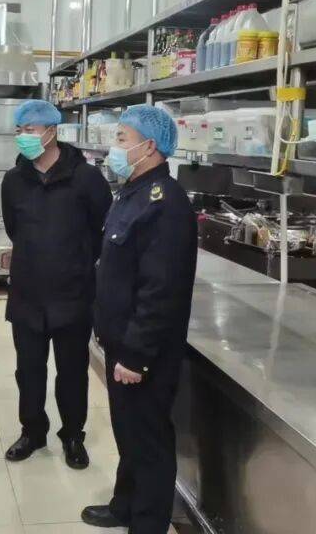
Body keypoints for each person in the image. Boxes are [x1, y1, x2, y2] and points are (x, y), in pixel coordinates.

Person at [82, 105, 198, 533]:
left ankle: (147, 523)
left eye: (122, 139)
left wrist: (136, 354)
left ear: (149, 147)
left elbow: (160, 290)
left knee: (148, 439)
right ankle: (125, 505)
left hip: (143, 350)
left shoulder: (166, 204)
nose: (115, 147)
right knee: (128, 431)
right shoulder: (132, 192)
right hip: (121, 339)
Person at [0, 99, 113, 469]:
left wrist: (76, 262)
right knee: (28, 371)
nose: (23, 136)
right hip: (27, 294)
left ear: (51, 131)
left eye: (30, 130)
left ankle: (73, 435)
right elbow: (14, 229)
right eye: (19, 130)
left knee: (72, 372)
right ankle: (32, 431)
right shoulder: (14, 180)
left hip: (73, 295)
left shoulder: (86, 178)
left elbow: (102, 229)